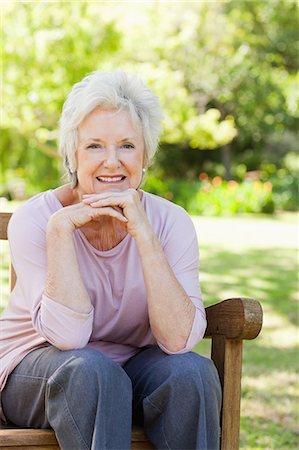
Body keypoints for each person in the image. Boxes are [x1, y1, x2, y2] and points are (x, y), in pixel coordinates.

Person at [0, 70, 221, 450]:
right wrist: (60, 233)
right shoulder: (37, 220)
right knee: (92, 372)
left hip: (131, 374)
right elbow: (67, 338)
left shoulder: (171, 223)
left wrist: (144, 235)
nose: (112, 163)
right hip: (36, 371)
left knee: (192, 374)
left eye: (127, 146)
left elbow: (180, 340)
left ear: (146, 154)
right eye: (95, 146)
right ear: (72, 153)